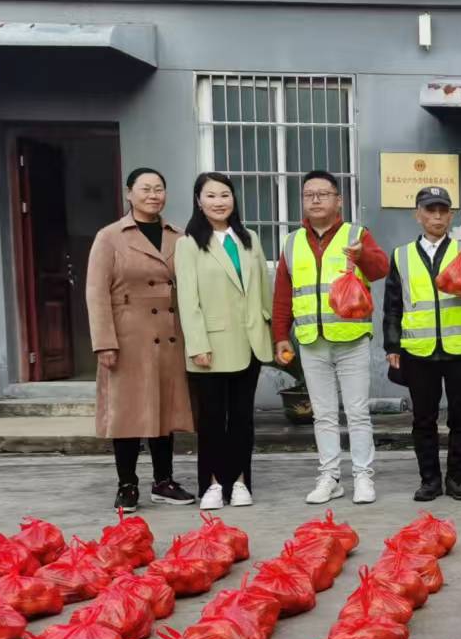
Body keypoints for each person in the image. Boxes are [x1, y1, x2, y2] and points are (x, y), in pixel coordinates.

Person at [271, 170, 389, 505]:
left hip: (350, 337)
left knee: (357, 411)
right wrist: (281, 336)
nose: (316, 200)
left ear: (339, 200)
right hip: (311, 340)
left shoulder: (356, 234)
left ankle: (364, 477)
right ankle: (330, 477)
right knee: (322, 413)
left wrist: (360, 255)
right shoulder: (292, 242)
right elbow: (284, 294)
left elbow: (381, 269)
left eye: (324, 193)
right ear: (303, 201)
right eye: (310, 194)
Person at [87, 167, 196, 510]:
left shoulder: (178, 236)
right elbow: (96, 292)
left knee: (164, 410)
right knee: (129, 412)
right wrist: (104, 341)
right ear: (129, 193)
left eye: (159, 188)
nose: (153, 195)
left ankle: (163, 481)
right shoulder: (110, 236)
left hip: (169, 334)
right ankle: (127, 484)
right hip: (128, 335)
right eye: (145, 189)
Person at [174, 171, 271, 510]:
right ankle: (213, 484)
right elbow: (188, 300)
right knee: (213, 419)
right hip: (210, 347)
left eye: (225, 195)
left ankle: (241, 480)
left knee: (243, 417)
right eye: (211, 195)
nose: (219, 202)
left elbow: (263, 291)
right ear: (199, 201)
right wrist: (197, 344)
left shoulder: (250, 239)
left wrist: (271, 331)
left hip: (250, 342)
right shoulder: (188, 244)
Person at [382, 186, 461, 503]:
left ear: (450, 215)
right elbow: (392, 305)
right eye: (430, 210)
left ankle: (457, 478)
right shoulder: (401, 255)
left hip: (460, 349)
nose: (436, 216)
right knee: (423, 419)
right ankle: (429, 480)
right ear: (418, 215)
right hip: (418, 350)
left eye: (442, 210)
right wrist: (392, 346)